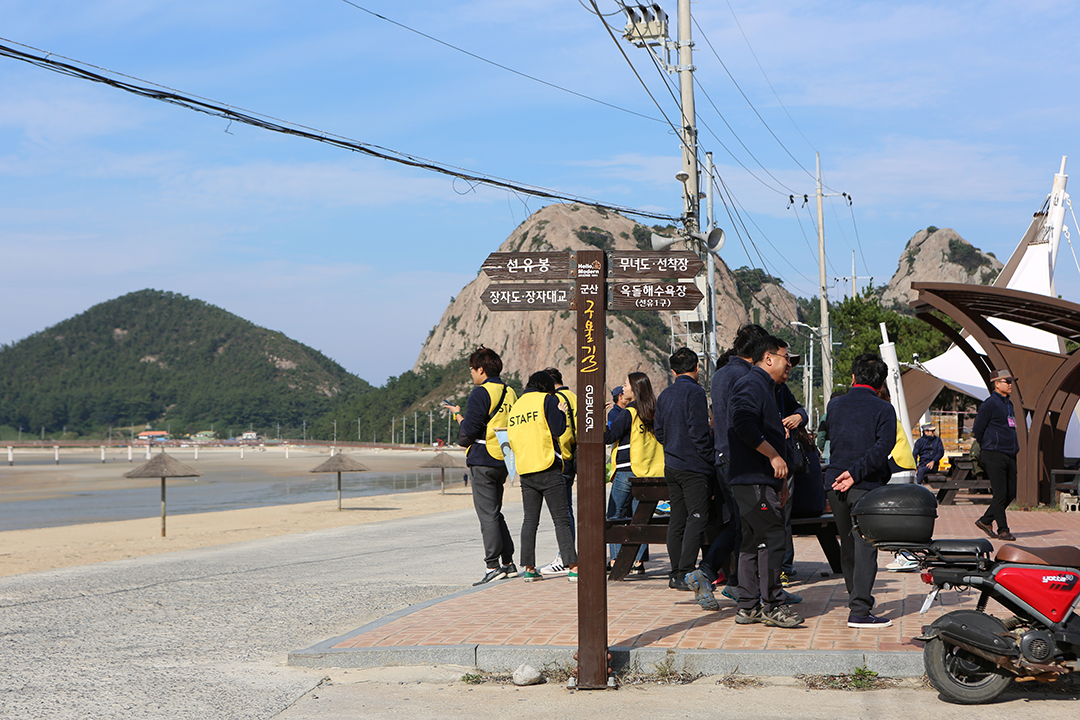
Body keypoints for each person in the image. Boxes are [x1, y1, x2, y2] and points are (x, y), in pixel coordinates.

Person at [686, 323, 765, 611]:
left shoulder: (721, 374)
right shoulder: (746, 376)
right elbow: (744, 421)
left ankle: (735, 581)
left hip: (722, 456)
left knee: (739, 522)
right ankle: (707, 572)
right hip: (741, 459)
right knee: (746, 522)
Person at [726, 335, 803, 629]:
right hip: (754, 479)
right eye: (786, 358)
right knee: (772, 541)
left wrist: (780, 482)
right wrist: (773, 456)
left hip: (760, 480)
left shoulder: (768, 388)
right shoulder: (751, 384)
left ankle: (748, 607)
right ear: (768, 358)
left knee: (751, 543)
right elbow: (742, 423)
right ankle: (772, 606)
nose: (789, 365)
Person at [823, 353, 896, 628]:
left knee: (848, 543)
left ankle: (856, 596)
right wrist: (854, 474)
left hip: (833, 484)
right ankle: (860, 610)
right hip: (864, 485)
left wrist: (845, 474)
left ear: (853, 377)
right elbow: (881, 450)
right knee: (866, 545)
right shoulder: (884, 409)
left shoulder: (835, 405)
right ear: (880, 382)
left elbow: (836, 440)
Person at [450, 346, 519, 586]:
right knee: (495, 512)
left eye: (472, 369)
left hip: (482, 458)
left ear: (481, 369)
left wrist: (461, 436)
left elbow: (470, 429)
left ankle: (493, 565)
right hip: (504, 456)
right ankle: (509, 563)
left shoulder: (480, 393)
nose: (471, 374)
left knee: (486, 514)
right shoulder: (511, 392)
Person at [506, 371, 578, 582]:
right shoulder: (546, 400)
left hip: (526, 470)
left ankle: (529, 568)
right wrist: (561, 412)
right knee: (561, 519)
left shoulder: (517, 405)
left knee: (530, 521)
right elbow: (558, 429)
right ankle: (573, 567)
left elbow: (512, 438)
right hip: (547, 466)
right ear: (547, 387)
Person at [653, 347, 714, 591]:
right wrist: (709, 457)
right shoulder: (696, 392)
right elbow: (699, 432)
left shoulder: (665, 394)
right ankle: (687, 570)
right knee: (697, 517)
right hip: (694, 466)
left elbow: (658, 431)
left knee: (677, 519)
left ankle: (675, 571)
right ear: (697, 367)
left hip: (672, 464)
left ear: (672, 370)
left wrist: (671, 446)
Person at [605, 372, 663, 574]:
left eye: (626, 384)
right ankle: (638, 562)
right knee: (641, 518)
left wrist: (603, 422)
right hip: (648, 472)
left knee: (615, 515)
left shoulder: (630, 411)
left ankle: (616, 561)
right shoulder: (653, 410)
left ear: (635, 388)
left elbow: (610, 435)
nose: (623, 388)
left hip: (626, 469)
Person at [538, 367, 577, 576]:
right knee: (567, 510)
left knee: (562, 513)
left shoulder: (555, 400)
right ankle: (568, 555)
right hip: (575, 458)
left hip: (562, 459)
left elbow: (562, 431)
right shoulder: (574, 397)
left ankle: (565, 557)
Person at [973, 369, 1019, 542]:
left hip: (1009, 453)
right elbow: (978, 429)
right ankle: (1003, 530)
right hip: (993, 453)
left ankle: (985, 521)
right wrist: (989, 444)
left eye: (1011, 381)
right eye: (1007, 381)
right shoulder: (989, 404)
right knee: (1000, 493)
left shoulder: (1009, 404)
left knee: (1011, 492)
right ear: (996, 384)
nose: (1010, 384)